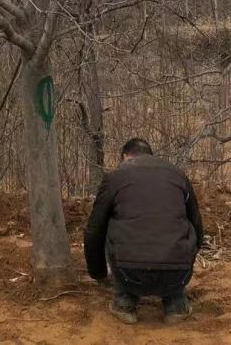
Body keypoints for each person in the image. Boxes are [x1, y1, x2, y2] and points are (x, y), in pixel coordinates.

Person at [84, 137, 204, 325]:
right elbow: (197, 226)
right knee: (183, 225)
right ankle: (175, 303)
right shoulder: (178, 175)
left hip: (129, 274)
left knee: (108, 223)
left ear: (125, 156)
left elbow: (93, 231)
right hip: (177, 275)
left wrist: (98, 273)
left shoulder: (115, 177)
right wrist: (185, 260)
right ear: (150, 155)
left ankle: (124, 301)